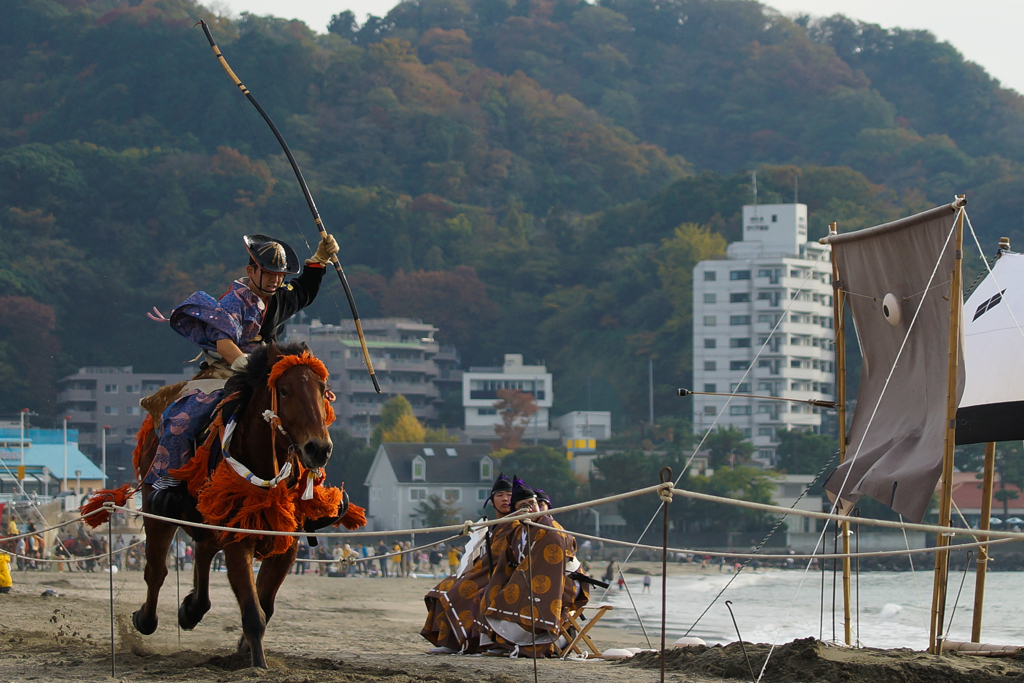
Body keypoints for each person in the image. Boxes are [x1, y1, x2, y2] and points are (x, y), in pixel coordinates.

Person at [145, 232, 339, 518]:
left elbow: (303, 292)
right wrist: (248, 367)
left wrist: (320, 259)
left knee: (309, 411)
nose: (275, 280)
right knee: (184, 419)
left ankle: (310, 486)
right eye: (269, 274)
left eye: (279, 275)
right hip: (229, 369)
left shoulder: (279, 297)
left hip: (268, 373)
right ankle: (168, 482)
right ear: (251, 271)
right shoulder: (234, 301)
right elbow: (224, 344)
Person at [421, 474, 514, 654]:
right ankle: (448, 641)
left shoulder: (517, 523)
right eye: (500, 495)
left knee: (458, 591)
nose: (505, 499)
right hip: (484, 571)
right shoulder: (494, 525)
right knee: (443, 587)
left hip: (500, 575)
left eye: (509, 495)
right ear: (492, 501)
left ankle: (469, 643)